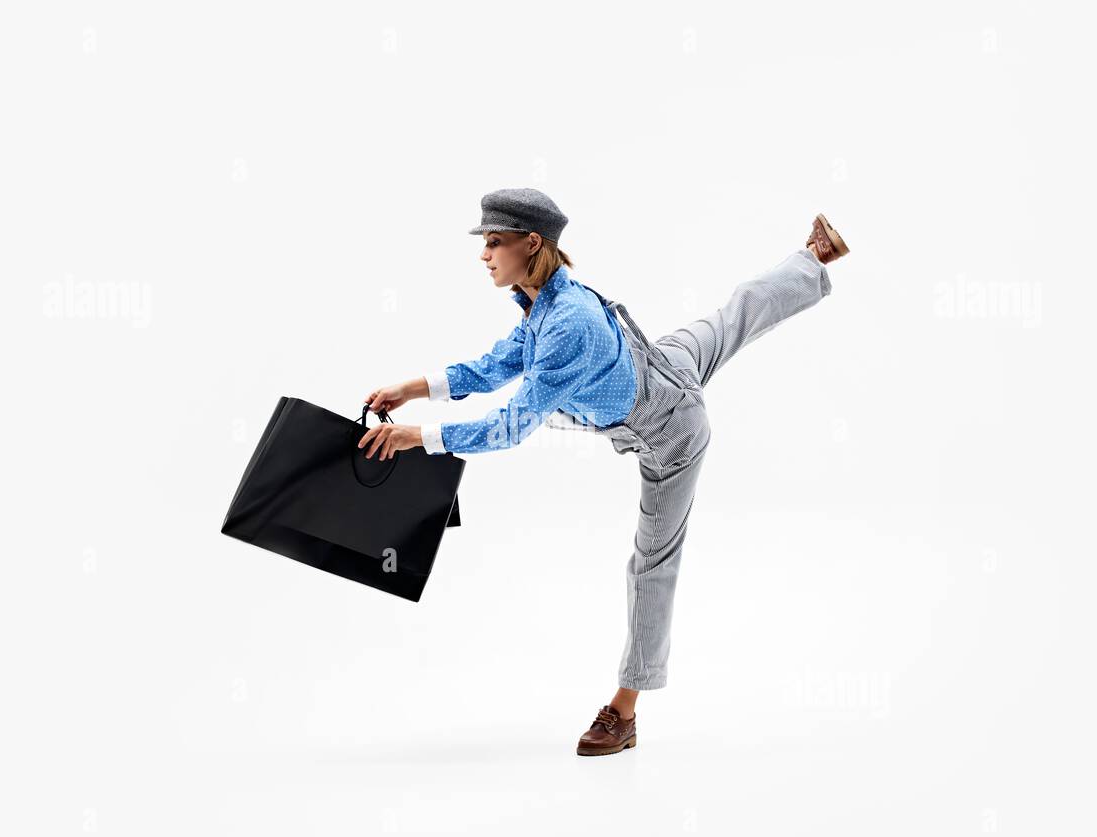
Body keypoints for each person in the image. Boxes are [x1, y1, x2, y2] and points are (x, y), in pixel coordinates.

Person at [358, 187, 849, 756]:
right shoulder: (547, 298)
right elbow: (496, 365)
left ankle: (624, 710)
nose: (484, 254)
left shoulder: (567, 324)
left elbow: (512, 426)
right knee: (732, 314)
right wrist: (412, 389)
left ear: (531, 243)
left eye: (495, 242)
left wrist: (419, 437)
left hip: (670, 431)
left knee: (651, 565)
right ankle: (811, 259)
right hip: (661, 359)